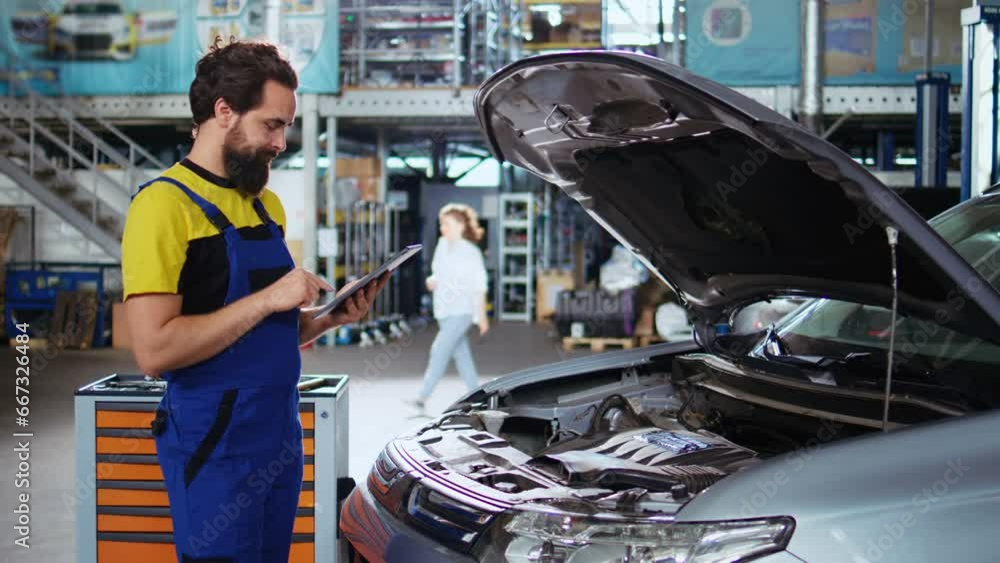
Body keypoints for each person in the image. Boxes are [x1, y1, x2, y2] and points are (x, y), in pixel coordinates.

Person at [121, 38, 387, 563]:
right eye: (272, 124)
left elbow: (265, 328)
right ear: (224, 112)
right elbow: (153, 351)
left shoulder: (266, 205)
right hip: (213, 442)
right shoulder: (162, 208)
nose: (281, 142)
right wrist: (270, 299)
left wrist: (325, 319)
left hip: (277, 436)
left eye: (286, 126)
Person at [409, 204, 489, 410]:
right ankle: (478, 395)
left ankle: (422, 396)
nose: (443, 227)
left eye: (447, 223)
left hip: (461, 311)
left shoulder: (471, 253)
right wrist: (432, 280)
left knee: (439, 350)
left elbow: (479, 285)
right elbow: (439, 272)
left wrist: (482, 317)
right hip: (443, 310)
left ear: (461, 225)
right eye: (441, 223)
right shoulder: (442, 245)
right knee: (462, 356)